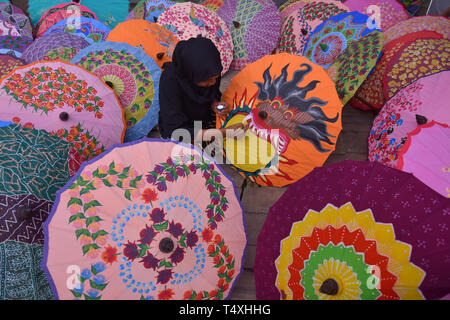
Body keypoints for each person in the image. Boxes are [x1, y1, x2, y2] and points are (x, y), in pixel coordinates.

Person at [158, 36, 246, 146]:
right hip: (178, 131)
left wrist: (214, 103)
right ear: (191, 75)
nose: (213, 82)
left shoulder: (208, 70)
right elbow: (177, 133)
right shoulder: (170, 81)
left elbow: (211, 94)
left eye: (216, 77)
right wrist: (224, 133)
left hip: (201, 121)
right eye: (208, 80)